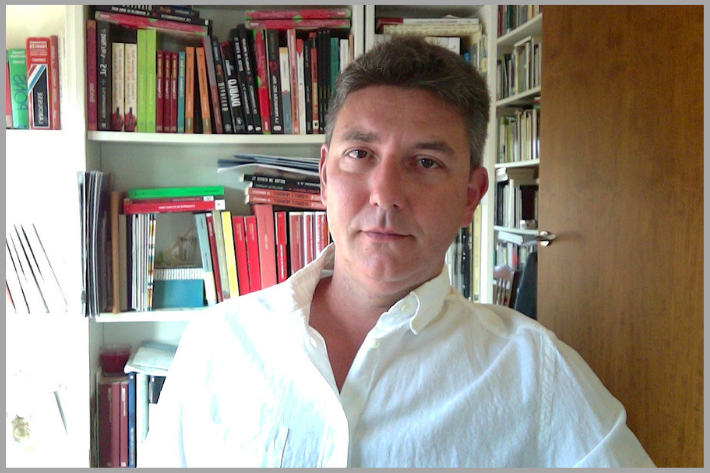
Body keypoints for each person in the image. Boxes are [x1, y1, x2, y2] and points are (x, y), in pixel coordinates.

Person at [141, 36, 655, 468]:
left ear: (471, 196)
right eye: (360, 154)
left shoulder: (537, 374)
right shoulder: (217, 343)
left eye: (426, 162)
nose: (385, 194)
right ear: (324, 176)